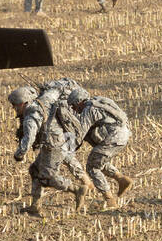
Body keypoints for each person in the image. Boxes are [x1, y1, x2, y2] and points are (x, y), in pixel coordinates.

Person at [9, 85, 86, 216]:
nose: (14, 108)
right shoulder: (45, 99)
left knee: (47, 177)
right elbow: (56, 90)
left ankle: (77, 190)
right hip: (55, 143)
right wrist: (48, 86)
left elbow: (29, 139)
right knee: (35, 170)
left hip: (54, 146)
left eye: (15, 105)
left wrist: (19, 155)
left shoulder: (30, 118)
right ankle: (35, 206)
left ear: (23, 103)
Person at [67, 87, 132, 210]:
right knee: (99, 159)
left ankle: (110, 200)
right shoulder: (100, 101)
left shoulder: (88, 110)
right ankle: (122, 180)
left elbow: (80, 132)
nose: (74, 109)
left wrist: (69, 147)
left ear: (79, 102)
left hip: (114, 137)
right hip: (124, 134)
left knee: (92, 166)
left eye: (74, 106)